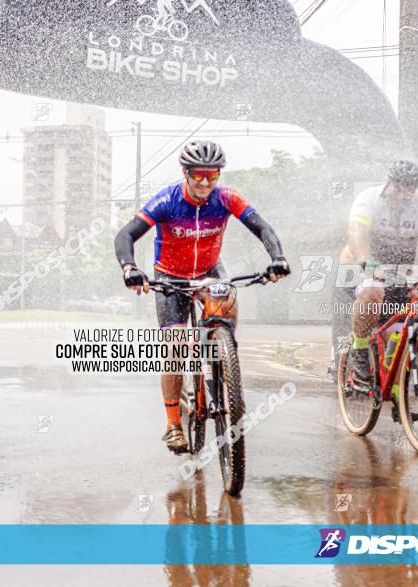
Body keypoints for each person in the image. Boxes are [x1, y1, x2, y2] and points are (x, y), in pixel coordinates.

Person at [114, 140, 290, 453]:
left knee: (228, 311)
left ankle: (224, 370)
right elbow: (126, 234)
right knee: (175, 347)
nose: (206, 182)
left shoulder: (226, 198)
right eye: (198, 175)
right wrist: (130, 268)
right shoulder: (167, 201)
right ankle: (172, 424)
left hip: (209, 272)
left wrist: (278, 258)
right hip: (170, 278)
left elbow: (262, 227)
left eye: (213, 175)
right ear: (186, 172)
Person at [338, 160, 418, 420]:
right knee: (373, 292)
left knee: (402, 330)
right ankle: (360, 351)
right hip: (359, 265)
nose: (403, 193)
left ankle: (397, 395)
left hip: (400, 272)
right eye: (398, 187)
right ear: (388, 182)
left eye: (410, 189)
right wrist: (366, 262)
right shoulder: (368, 199)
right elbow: (356, 233)